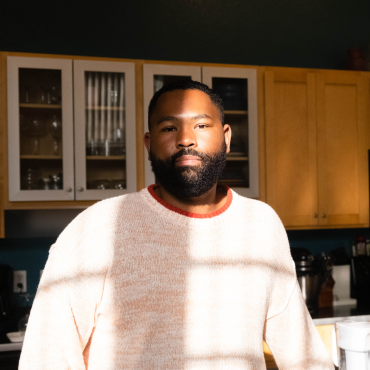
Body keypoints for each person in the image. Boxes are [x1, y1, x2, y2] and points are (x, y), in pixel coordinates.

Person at [19, 80, 334, 370]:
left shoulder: (262, 225)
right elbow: (45, 357)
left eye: (201, 124)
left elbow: (302, 353)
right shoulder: (96, 229)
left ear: (226, 138)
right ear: (149, 143)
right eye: (169, 128)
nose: (186, 139)